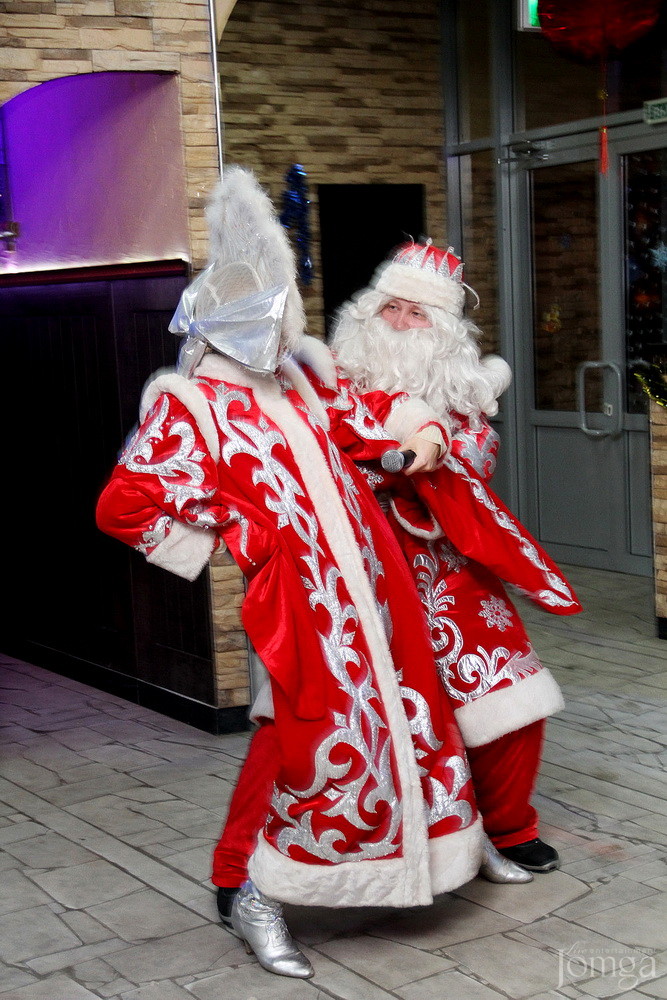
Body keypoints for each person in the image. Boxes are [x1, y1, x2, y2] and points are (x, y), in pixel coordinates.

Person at [96, 168, 484, 981]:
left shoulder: (300, 384)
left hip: (376, 590)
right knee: (306, 744)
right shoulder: (192, 405)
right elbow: (125, 504)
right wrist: (239, 537)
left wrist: (414, 435)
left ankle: (390, 860)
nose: (285, 328)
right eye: (273, 316)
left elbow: (366, 417)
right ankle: (255, 892)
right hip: (301, 609)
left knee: (393, 724)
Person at [329, 239, 581, 874]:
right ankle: (406, 835)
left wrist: (430, 446)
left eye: (420, 314)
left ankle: (510, 825)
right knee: (386, 712)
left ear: (441, 330)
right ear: (367, 312)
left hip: (450, 571)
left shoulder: (462, 400)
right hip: (364, 573)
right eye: (393, 307)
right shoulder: (329, 388)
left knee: (509, 693)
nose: (402, 322)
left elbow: (474, 463)